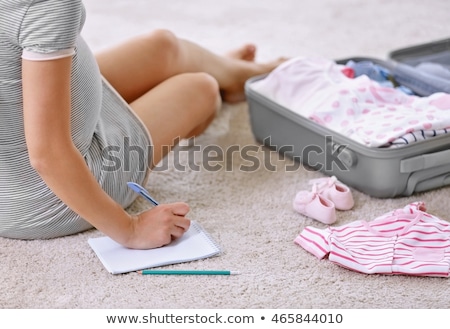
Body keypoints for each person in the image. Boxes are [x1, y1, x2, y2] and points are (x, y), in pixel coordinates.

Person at [0, 0, 285, 249]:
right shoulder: (44, 4)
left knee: (163, 45)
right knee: (200, 88)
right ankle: (228, 80)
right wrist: (130, 230)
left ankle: (239, 74)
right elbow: (49, 154)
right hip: (48, 194)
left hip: (36, 123)